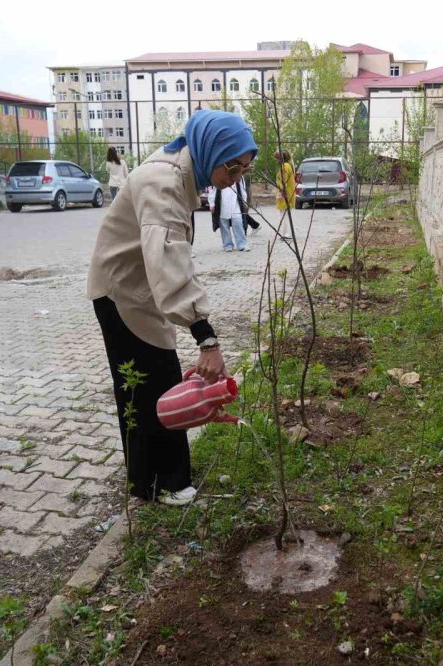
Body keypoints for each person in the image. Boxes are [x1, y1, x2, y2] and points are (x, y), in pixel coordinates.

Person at [87, 110, 256, 505]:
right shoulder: (162, 183)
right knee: (147, 387)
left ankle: (154, 480)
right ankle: (160, 485)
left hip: (144, 288)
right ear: (210, 151)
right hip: (122, 293)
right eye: (232, 167)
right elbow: (170, 264)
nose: (236, 178)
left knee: (154, 381)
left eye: (245, 170)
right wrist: (206, 338)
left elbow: (170, 262)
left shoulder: (184, 172)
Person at [210, 177, 250, 252]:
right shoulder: (219, 174)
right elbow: (213, 190)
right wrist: (212, 203)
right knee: (224, 225)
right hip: (222, 203)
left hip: (235, 203)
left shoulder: (238, 176)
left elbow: (242, 189)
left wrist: (244, 201)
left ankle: (242, 244)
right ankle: (227, 245)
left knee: (238, 223)